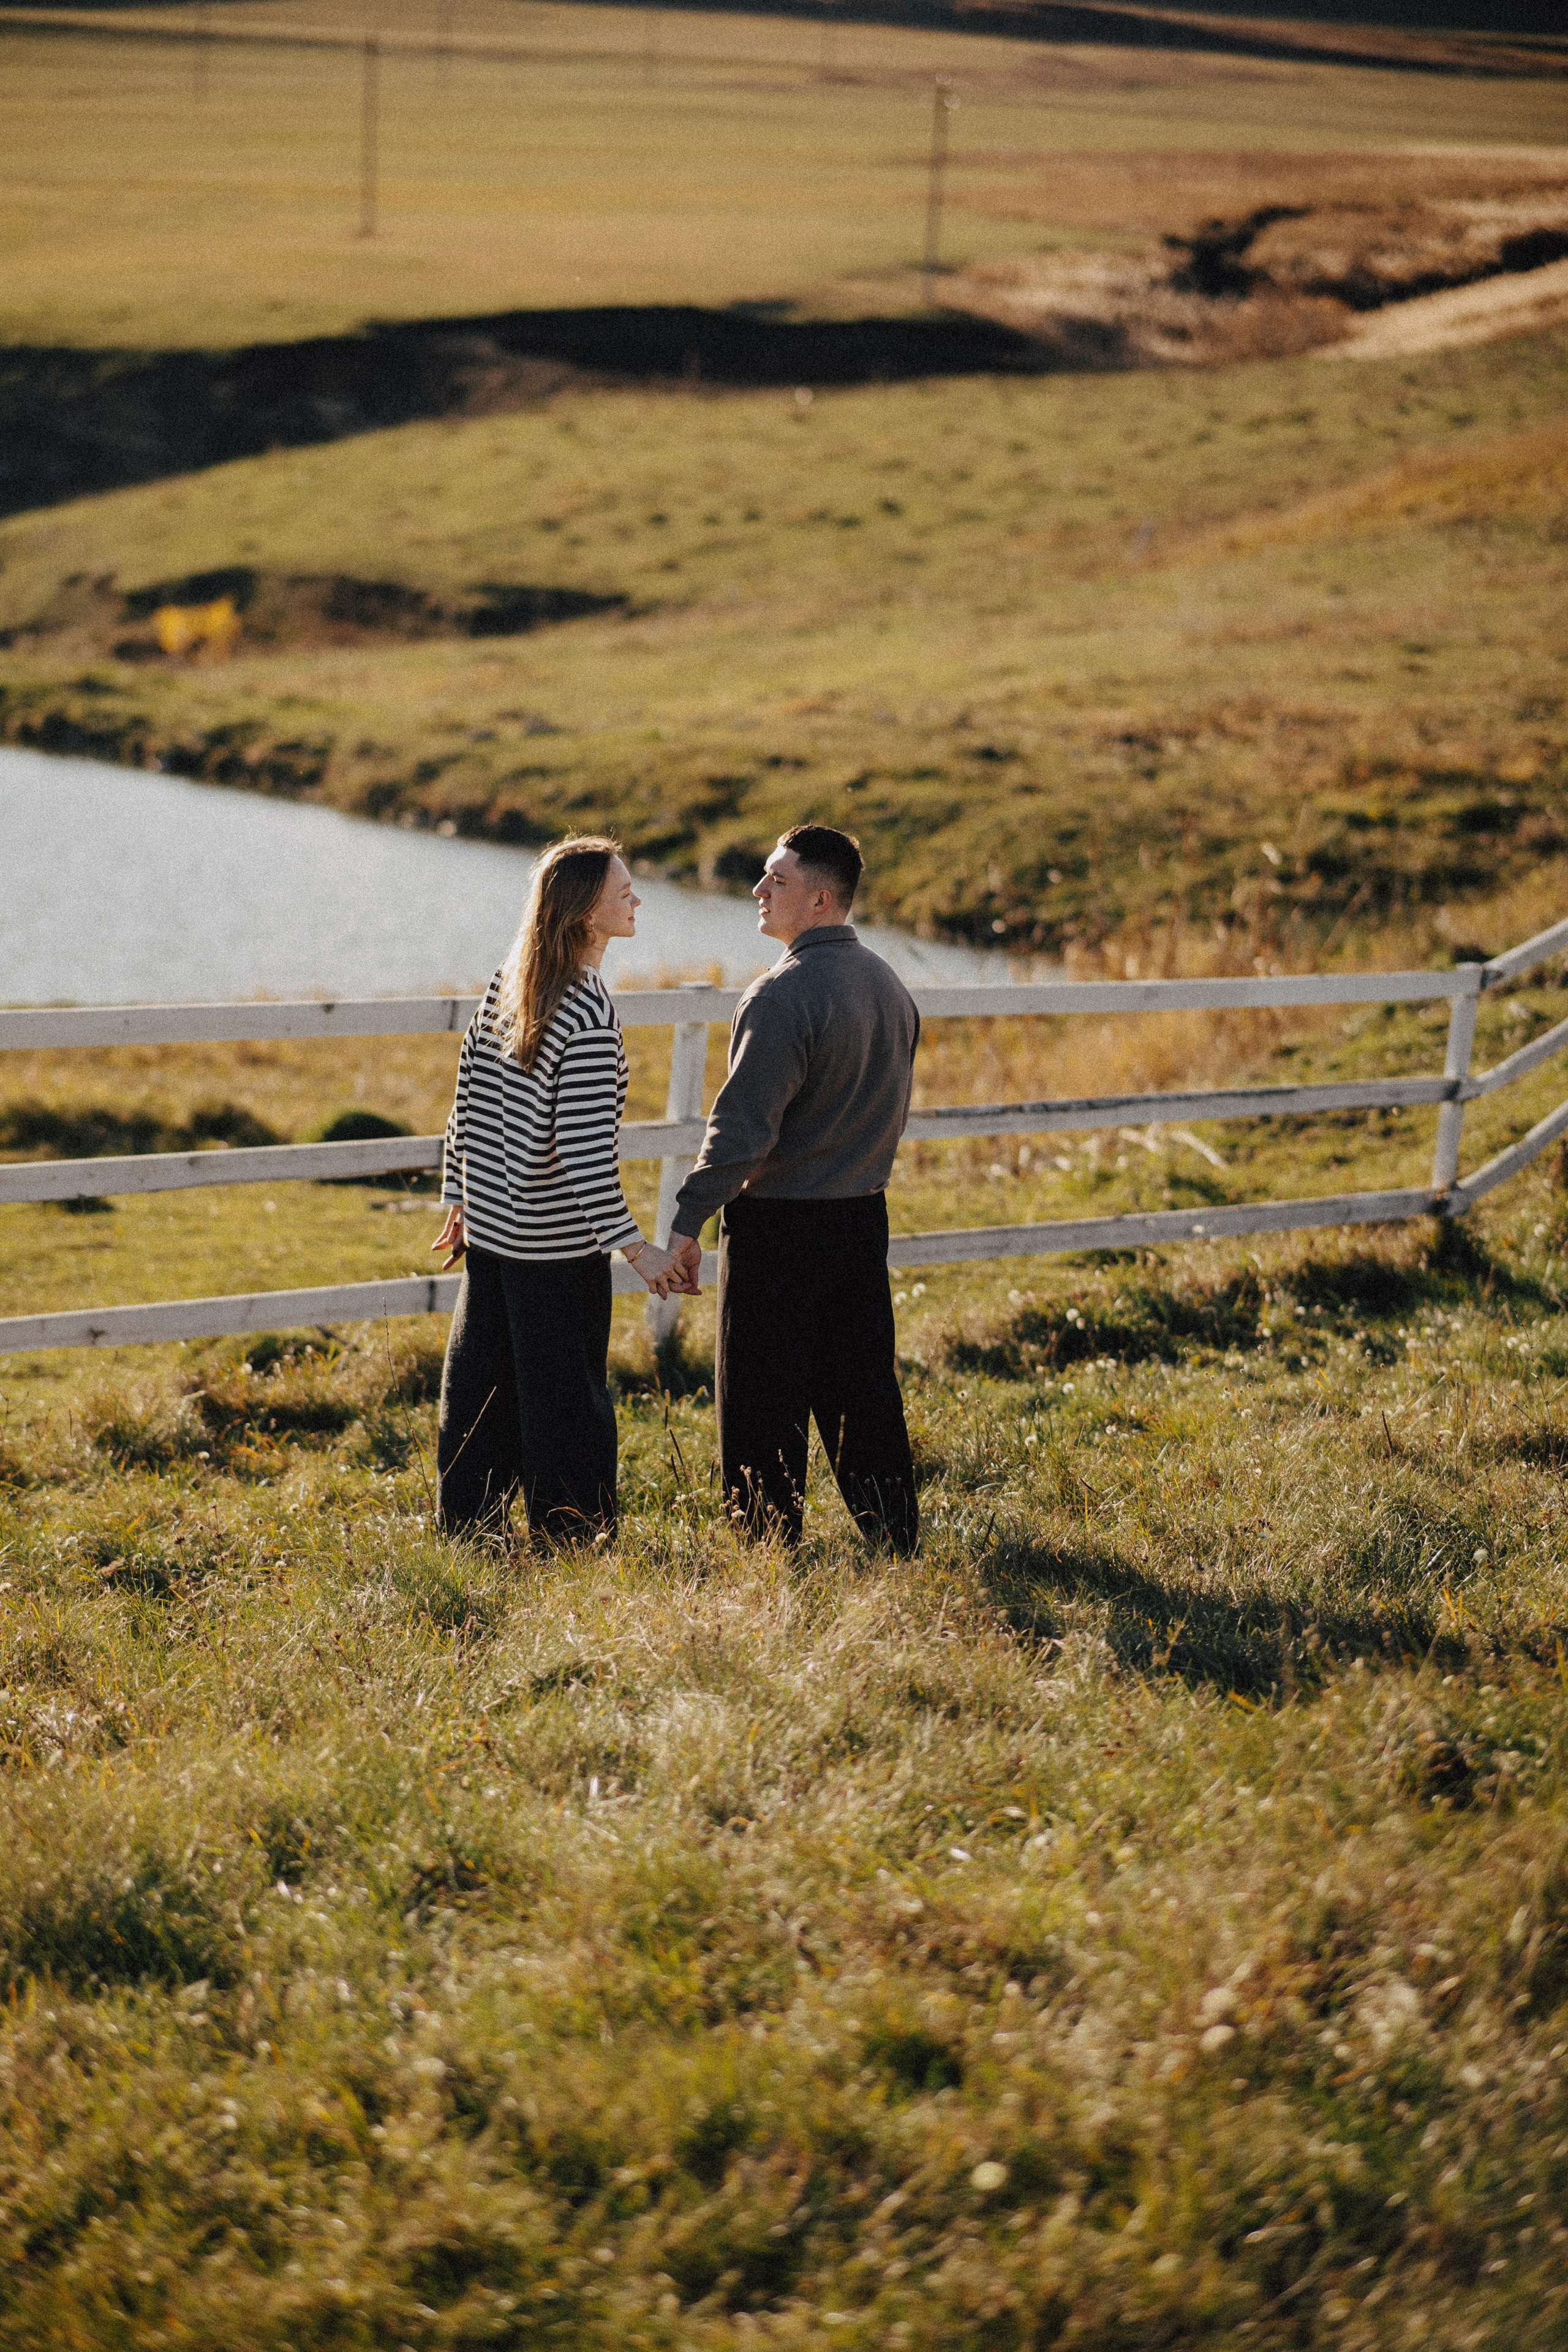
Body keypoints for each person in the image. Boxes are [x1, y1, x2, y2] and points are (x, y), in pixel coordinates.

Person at [432, 836, 693, 1544]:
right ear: (585, 915)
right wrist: (634, 1247)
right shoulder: (586, 1013)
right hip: (552, 1250)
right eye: (623, 893)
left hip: (492, 1233)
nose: (636, 900)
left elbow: (465, 1106)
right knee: (565, 1405)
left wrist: (459, 1198)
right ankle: (573, 1538)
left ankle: (469, 1531)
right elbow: (581, 1155)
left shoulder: (508, 980)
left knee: (480, 1392)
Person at [667, 824, 920, 1552]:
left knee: (759, 1402)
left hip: (779, 1228)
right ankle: (895, 1538)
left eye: (775, 881)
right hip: (861, 1218)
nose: (758, 890)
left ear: (818, 899)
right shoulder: (888, 984)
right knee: (862, 1393)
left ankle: (765, 1553)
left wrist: (686, 1225)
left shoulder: (780, 996)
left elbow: (740, 1132)